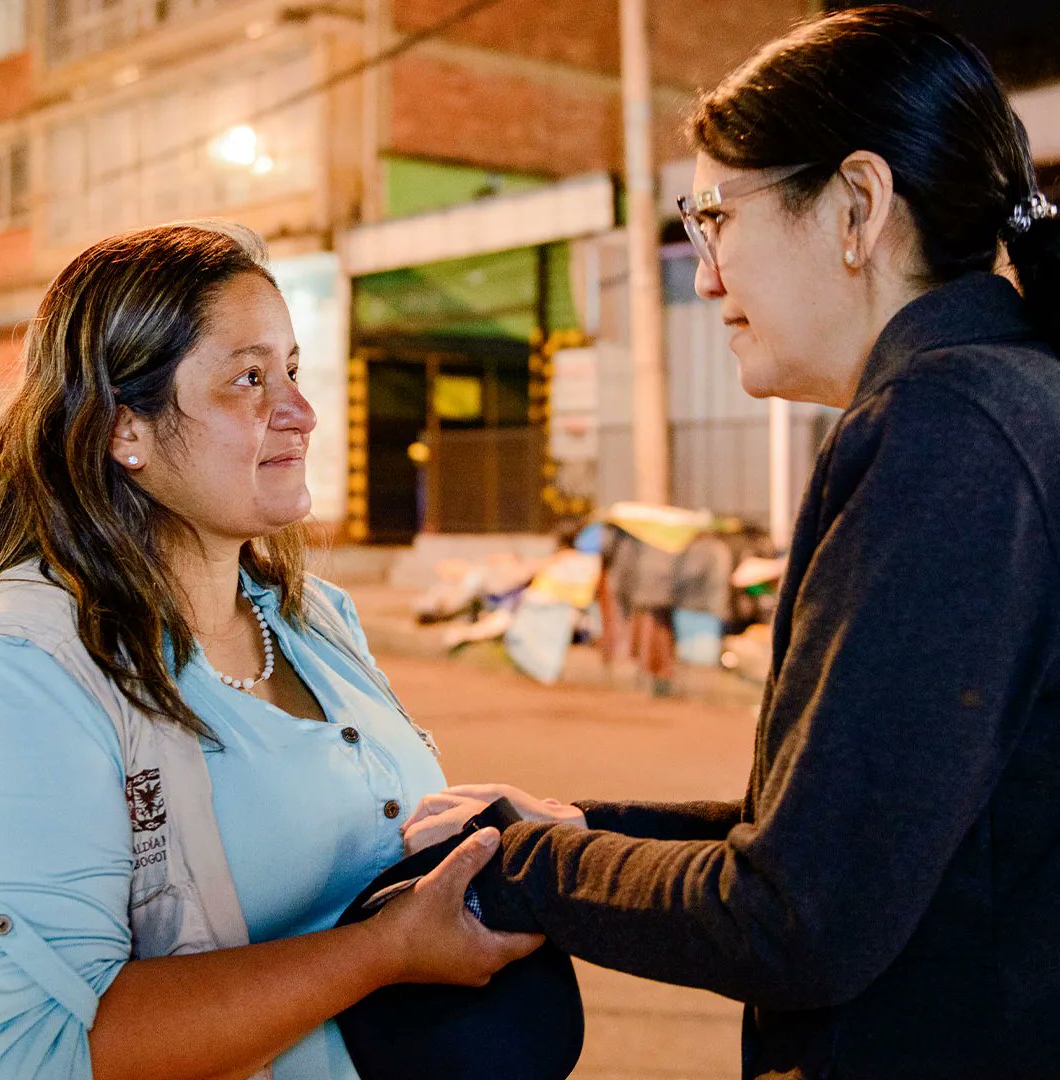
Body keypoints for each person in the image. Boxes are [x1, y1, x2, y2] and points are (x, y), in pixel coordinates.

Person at [402, 7, 1060, 1078]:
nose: (705, 275)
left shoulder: (946, 430)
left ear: (857, 206)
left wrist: (523, 868)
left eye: (716, 217)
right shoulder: (1015, 399)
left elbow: (797, 916)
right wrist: (570, 824)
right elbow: (845, 835)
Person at [0, 222, 541, 1080]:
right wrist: (382, 953)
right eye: (249, 378)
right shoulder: (27, 671)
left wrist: (496, 842)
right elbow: (33, 1052)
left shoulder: (315, 620)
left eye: (292, 371)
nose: (301, 414)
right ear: (125, 429)